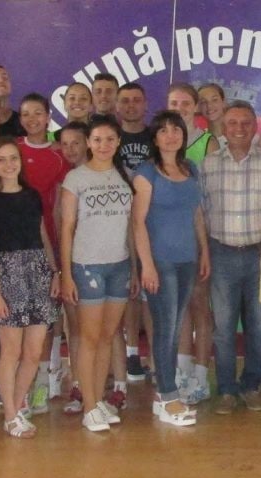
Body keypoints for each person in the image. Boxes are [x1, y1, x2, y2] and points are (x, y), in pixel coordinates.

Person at [132, 111, 210, 427]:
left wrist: (204, 251)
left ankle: (166, 395)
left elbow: (196, 215)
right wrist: (147, 265)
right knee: (165, 329)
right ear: (155, 138)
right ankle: (167, 397)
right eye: (163, 130)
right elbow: (137, 222)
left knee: (176, 329)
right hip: (160, 261)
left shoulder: (190, 168)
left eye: (176, 129)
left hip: (187, 259)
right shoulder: (146, 172)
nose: (171, 135)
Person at [59, 117, 136, 431]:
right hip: (87, 265)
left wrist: (134, 267)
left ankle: (98, 400)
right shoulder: (75, 178)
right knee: (89, 338)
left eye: (110, 139)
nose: (104, 145)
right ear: (88, 143)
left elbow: (131, 227)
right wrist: (66, 274)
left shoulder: (124, 175)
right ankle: (89, 406)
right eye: (97, 139)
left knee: (107, 336)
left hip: (119, 265)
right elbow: (67, 228)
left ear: (118, 142)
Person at [0, 137, 59, 438]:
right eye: (1, 160)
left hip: (37, 273)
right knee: (10, 351)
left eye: (13, 158)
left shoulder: (32, 196)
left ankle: (17, 404)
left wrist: (54, 272)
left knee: (34, 351)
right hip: (8, 277)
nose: (9, 164)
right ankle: (11, 415)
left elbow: (43, 236)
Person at [200, 102, 261, 415]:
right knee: (224, 328)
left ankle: (252, 385)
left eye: (246, 123)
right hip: (221, 254)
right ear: (223, 128)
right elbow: (200, 213)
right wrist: (204, 252)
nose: (239, 129)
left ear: (255, 126)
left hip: (260, 253)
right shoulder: (208, 165)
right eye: (232, 123)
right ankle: (227, 389)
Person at [15, 93, 69, 410]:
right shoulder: (12, 151)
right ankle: (20, 387)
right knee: (20, 321)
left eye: (38, 113)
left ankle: (42, 386)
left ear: (48, 117)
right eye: (26, 113)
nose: (32, 119)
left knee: (45, 319)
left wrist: (59, 250)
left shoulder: (58, 155)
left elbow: (60, 206)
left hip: (47, 244)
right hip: (15, 246)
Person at [167, 82, 217, 403]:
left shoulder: (207, 142)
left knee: (200, 305)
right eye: (174, 103)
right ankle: (182, 373)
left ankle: (201, 375)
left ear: (195, 107)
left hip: (199, 235)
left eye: (186, 103)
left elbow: (210, 195)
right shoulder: (163, 142)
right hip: (170, 237)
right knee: (179, 306)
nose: (180, 108)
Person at [117, 82, 154, 386]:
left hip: (152, 221)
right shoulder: (110, 137)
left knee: (150, 292)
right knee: (130, 291)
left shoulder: (155, 137)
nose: (131, 106)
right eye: (125, 101)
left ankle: (154, 355)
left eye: (136, 100)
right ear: (118, 106)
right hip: (117, 221)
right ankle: (131, 353)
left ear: (145, 104)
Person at [56, 122, 89, 415]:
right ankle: (78, 383)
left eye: (76, 143)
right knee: (74, 327)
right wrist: (62, 269)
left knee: (97, 332)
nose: (70, 149)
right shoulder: (65, 181)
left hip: (98, 263)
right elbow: (60, 226)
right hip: (71, 264)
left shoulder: (103, 175)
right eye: (64, 144)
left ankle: (97, 384)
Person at [198, 83, 227, 149]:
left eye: (214, 100)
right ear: (198, 107)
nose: (209, 106)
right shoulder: (198, 140)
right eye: (203, 102)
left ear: (223, 102)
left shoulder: (239, 135)